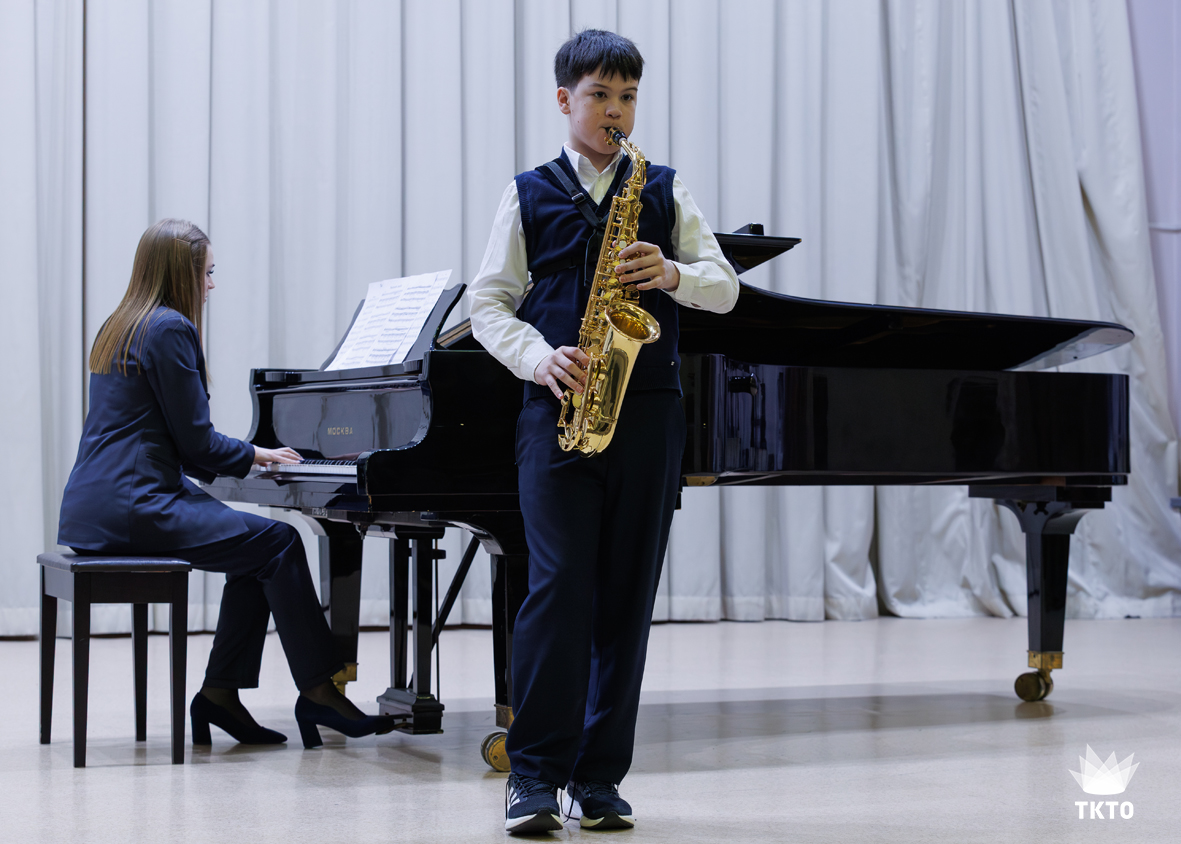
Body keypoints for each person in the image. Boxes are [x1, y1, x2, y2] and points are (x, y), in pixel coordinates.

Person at [468, 30, 739, 833]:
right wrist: (537, 357)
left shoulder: (663, 188)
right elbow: (486, 303)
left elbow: (724, 288)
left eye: (627, 97)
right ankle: (532, 776)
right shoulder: (526, 192)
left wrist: (673, 273)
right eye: (599, 96)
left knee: (626, 597)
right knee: (556, 592)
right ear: (565, 99)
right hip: (557, 413)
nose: (614, 111)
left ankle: (598, 780)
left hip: (647, 413)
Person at [58, 218, 396, 750]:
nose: (211, 285)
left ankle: (219, 695)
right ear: (180, 273)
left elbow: (167, 439)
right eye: (207, 272)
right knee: (279, 543)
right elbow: (196, 445)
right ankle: (318, 691)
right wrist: (258, 456)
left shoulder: (120, 324)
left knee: (254, 549)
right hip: (135, 504)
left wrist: (242, 461)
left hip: (94, 504)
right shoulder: (170, 328)